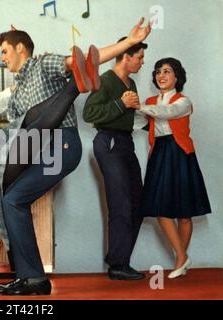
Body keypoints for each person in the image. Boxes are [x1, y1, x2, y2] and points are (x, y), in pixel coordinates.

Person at [0, 18, 151, 295]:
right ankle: (32, 277)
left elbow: (89, 60)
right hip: (34, 148)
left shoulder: (44, 64)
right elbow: (17, 130)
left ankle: (31, 277)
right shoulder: (16, 94)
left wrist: (128, 42)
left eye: (5, 51)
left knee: (14, 191)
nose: (3, 58)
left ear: (20, 48)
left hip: (61, 145)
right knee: (10, 199)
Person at [135, 58, 211, 278]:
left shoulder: (183, 101)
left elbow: (167, 112)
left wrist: (139, 106)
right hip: (159, 152)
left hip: (180, 153)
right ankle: (182, 256)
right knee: (161, 208)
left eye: (167, 71)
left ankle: (180, 260)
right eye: (158, 72)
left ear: (177, 76)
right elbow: (137, 122)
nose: (161, 75)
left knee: (184, 213)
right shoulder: (150, 101)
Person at [83, 36, 149, 281]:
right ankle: (118, 265)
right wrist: (121, 104)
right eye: (140, 57)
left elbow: (130, 119)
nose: (142, 62)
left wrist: (160, 122)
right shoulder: (105, 80)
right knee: (120, 203)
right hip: (108, 142)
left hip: (125, 143)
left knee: (138, 203)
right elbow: (89, 113)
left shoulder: (130, 82)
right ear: (126, 56)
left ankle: (119, 260)